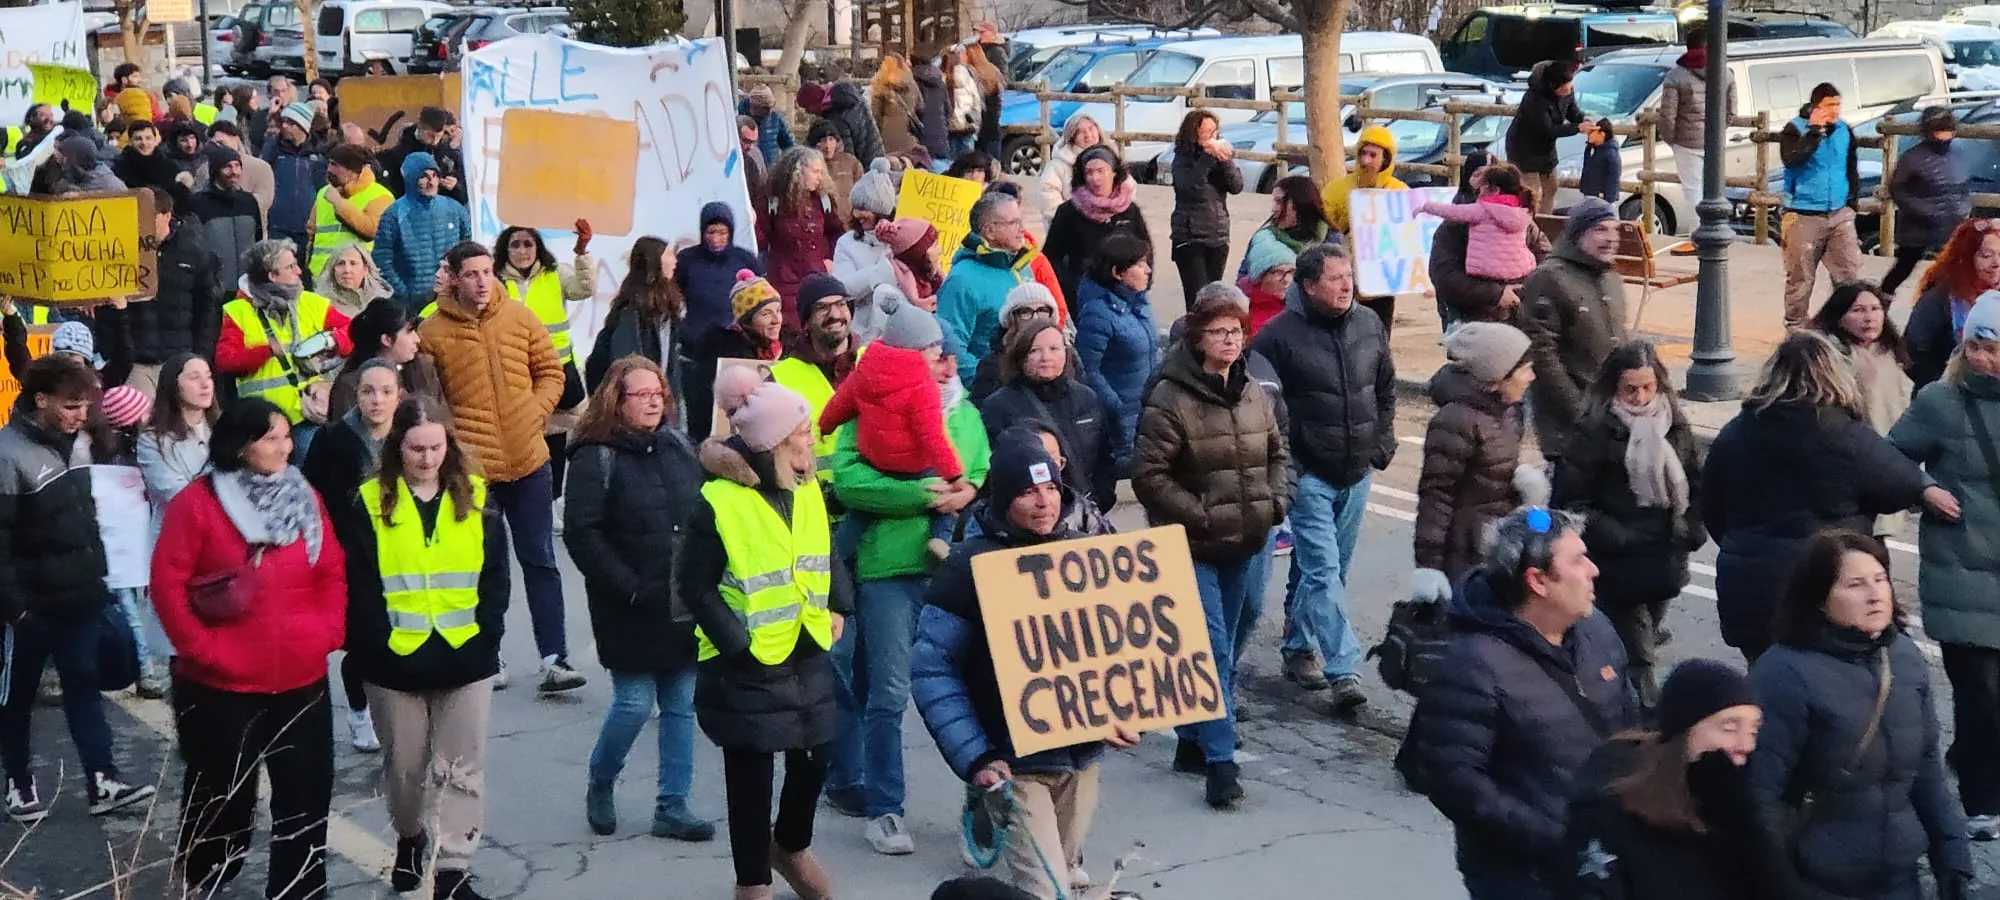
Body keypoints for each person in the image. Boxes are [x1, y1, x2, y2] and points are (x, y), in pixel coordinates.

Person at [911, 434, 1137, 899]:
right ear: (1003, 499)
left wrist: (1130, 711)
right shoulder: (966, 567)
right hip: (1015, 764)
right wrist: (976, 757)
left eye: (1051, 488)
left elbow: (1120, 653)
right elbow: (934, 670)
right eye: (1028, 492)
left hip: (1081, 759)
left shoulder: (1083, 555)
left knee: (1058, 883)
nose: (1043, 503)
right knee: (1045, 892)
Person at [150, 398, 345, 900]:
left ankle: (299, 891)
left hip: (301, 677)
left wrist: (326, 633)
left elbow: (331, 569)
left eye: (285, 436)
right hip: (220, 683)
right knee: (223, 801)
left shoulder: (303, 494)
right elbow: (168, 585)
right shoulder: (199, 503)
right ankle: (207, 881)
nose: (285, 447)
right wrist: (205, 650)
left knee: (305, 799)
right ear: (241, 446)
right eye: (272, 438)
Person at [1403, 506, 1635, 899]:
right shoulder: (1472, 663)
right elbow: (1455, 781)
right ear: (1538, 581)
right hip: (1520, 876)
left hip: (1602, 858)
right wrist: (1551, 835)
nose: (1593, 570)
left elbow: (1631, 721)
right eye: (1578, 560)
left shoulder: (1597, 631)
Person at [681, 370, 852, 900]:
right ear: (777, 441)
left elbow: (824, 550)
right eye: (802, 432)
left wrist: (840, 603)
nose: (811, 438)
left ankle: (791, 845)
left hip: (805, 645)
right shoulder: (719, 500)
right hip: (745, 658)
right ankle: (752, 882)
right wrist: (736, 643)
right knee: (750, 778)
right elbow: (694, 585)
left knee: (818, 754)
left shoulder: (805, 488)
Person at [821, 322, 987, 853]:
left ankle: (980, 807)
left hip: (953, 575)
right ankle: (885, 808)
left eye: (946, 355)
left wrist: (968, 491)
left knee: (977, 693)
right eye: (935, 354)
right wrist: (922, 495)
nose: (946, 365)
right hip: (888, 570)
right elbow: (850, 482)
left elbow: (979, 466)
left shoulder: (963, 411)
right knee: (889, 693)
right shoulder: (870, 401)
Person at [338, 396, 507, 900]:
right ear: (398, 448)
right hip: (395, 660)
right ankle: (410, 837)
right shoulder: (369, 502)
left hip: (466, 654)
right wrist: (377, 646)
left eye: (436, 447)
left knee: (461, 769)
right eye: (416, 448)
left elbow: (495, 578)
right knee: (407, 770)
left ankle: (452, 871)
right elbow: (361, 585)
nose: (428, 458)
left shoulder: (476, 497)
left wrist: (488, 635)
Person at [1746, 530, 1974, 899]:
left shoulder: (1903, 656)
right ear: (1818, 599)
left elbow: (1927, 767)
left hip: (1900, 878)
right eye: (1855, 584)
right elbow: (1759, 794)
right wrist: (1781, 884)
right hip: (1818, 881)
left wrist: (1952, 855)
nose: (1875, 594)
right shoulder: (1783, 674)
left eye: (1881, 579)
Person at [1133, 290, 1288, 809]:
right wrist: (1198, 514)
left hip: (1246, 540)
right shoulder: (1170, 396)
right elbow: (1149, 474)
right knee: (1211, 649)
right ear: (1198, 336)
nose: (1231, 340)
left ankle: (1190, 737)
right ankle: (1221, 763)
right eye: (1220, 331)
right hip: (1193, 544)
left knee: (1240, 629)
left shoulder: (1252, 392)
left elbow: (1277, 451)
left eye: (1237, 332)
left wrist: (1276, 502)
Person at [1701, 331, 1939, 661]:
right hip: (1824, 586)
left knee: (1767, 686)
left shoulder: (1736, 432)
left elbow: (1710, 505)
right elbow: (1899, 485)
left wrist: (1742, 542)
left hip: (1748, 585)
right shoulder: (1846, 436)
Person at [0, 356, 159, 824]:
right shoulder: (9, 456)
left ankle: (102, 779)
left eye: (85, 406)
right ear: (41, 400)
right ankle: (19, 781)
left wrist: (101, 578)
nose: (80, 415)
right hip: (29, 607)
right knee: (17, 695)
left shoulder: (82, 443)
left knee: (84, 687)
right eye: (70, 407)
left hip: (82, 595)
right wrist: (16, 609)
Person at [564, 356, 714, 842]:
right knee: (633, 702)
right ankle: (601, 782)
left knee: (681, 703)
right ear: (617, 399)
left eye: (658, 393)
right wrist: (628, 585)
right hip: (626, 603)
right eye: (642, 394)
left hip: (680, 599)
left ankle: (673, 805)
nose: (654, 401)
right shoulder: (594, 456)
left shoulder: (676, 444)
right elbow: (582, 534)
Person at [418, 241, 579, 693]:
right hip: (473, 468)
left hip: (529, 457)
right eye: (471, 274)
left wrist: (535, 412)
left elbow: (552, 371)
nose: (482, 281)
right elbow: (431, 400)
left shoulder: (520, 317)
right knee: (485, 565)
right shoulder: (432, 331)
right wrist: (456, 442)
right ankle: (491, 654)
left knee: (540, 559)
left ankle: (555, 658)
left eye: (487, 272)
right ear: (452, 277)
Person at [1249, 242, 1394, 707]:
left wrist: (1383, 442)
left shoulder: (1370, 323)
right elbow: (1265, 407)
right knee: (1322, 569)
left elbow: (1387, 387)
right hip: (1309, 472)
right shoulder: (1276, 336)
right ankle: (1343, 669)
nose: (1346, 284)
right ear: (1308, 286)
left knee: (1327, 571)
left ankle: (1296, 644)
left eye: (1348, 275)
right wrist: (1289, 466)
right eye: (1334, 278)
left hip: (1357, 470)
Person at [1888, 294, 2000, 840]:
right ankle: (1982, 803)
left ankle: (1975, 769)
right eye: (1974, 345)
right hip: (1960, 566)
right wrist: (1924, 488)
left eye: (1992, 349)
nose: (1980, 357)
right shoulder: (1940, 400)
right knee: (1979, 694)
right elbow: (1891, 458)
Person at [1552, 342, 1705, 708]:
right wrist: (1619, 537)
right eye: (1630, 389)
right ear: (1613, 388)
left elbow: (1698, 483)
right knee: (1639, 656)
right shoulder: (1593, 431)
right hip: (1617, 561)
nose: (1639, 397)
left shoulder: (1673, 424)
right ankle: (1643, 725)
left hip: (1666, 556)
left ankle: (1608, 704)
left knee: (1641, 639)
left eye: (1647, 387)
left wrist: (1692, 528)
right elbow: (1572, 501)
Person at [1559, 659, 1775, 900]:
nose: (1745, 745)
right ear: (1682, 733)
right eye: (1728, 727)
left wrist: (1749, 825)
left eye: (1753, 730)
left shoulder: (1731, 805)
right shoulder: (1607, 818)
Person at [304, 358, 402, 752]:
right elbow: (313, 497)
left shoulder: (410, 435)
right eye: (368, 391)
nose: (376, 400)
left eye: (386, 392)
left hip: (402, 552)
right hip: (352, 553)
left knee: (395, 633)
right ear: (356, 394)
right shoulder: (333, 439)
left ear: (399, 396)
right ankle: (360, 713)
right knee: (362, 638)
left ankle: (393, 710)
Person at [1412, 323, 1542, 598]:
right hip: (1464, 557)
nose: (1531, 377)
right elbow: (1436, 498)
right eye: (1524, 369)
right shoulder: (1455, 421)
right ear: (1498, 375)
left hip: (1495, 548)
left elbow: (1493, 476)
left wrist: (1528, 497)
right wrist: (1429, 567)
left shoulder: (1506, 412)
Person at [816, 295, 964, 524]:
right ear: (915, 348)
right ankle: (942, 538)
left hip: (874, 460)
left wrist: (825, 425)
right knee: (944, 502)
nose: (938, 351)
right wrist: (954, 475)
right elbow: (932, 437)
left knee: (861, 515)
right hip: (912, 466)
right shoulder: (922, 385)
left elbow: (840, 404)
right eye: (932, 346)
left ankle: (842, 551)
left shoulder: (866, 370)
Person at [216, 238, 355, 447]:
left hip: (307, 414)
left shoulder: (310, 302)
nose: (299, 271)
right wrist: (264, 352)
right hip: (263, 425)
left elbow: (356, 331)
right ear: (273, 276)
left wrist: (332, 340)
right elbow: (224, 361)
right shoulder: (238, 310)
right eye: (290, 267)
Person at [1521, 197, 1627, 465]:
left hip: (1609, 415)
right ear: (1579, 233)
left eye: (1615, 229)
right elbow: (1542, 354)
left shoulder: (1611, 278)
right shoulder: (1550, 278)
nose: (1611, 238)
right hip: (1567, 426)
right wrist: (1580, 410)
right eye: (1600, 229)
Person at [978, 319, 1120, 513]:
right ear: (1020, 356)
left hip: (1084, 511)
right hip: (1031, 516)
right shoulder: (999, 406)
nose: (1046, 357)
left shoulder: (1086, 397)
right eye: (1035, 350)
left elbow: (1105, 456)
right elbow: (993, 471)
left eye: (1054, 348)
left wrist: (1101, 498)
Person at [1812, 282, 1914, 539]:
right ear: (1839, 316)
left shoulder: (1891, 353)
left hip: (1888, 461)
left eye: (1875, 309)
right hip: (1851, 468)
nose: (1869, 318)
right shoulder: (1832, 357)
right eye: (1858, 310)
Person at [111, 188, 220, 398]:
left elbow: (207, 309)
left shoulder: (193, 253)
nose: (141, 222)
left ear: (167, 215)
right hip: (139, 361)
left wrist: (201, 355)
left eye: (148, 216)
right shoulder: (121, 252)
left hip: (181, 360)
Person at [496, 222, 597, 437]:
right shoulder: (496, 281)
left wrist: (581, 252)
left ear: (538, 248)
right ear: (505, 250)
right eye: (515, 245)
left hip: (558, 370)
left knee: (561, 432)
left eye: (528, 244)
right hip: (518, 372)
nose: (522, 251)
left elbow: (585, 288)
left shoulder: (555, 274)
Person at [1777, 82, 1864, 331]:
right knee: (1800, 277)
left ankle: (1846, 325)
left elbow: (1851, 167)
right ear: (1816, 106)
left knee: (1849, 275)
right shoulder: (1794, 129)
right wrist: (1814, 132)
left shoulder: (1844, 130)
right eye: (1829, 105)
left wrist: (1852, 204)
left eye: (1837, 104)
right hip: (1803, 213)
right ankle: (1796, 327)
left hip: (1838, 212)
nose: (1834, 110)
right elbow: (1792, 160)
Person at [1073, 232, 1157, 466]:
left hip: (1147, 412)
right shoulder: (1097, 313)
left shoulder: (1140, 303)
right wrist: (1116, 407)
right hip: (1121, 419)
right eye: (1140, 265)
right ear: (1118, 273)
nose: (1148, 270)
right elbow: (1088, 369)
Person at [939, 191, 1042, 381]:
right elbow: (952, 347)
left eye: (1021, 221)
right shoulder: (962, 279)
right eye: (1014, 223)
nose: (1023, 230)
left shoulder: (1022, 267)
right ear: (989, 231)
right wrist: (991, 383)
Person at [1043, 145, 1151, 313]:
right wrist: (1072, 290)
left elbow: (1146, 249)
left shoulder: (1130, 210)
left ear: (1114, 172)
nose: (1095, 178)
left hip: (1128, 295)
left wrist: (1143, 284)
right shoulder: (1069, 212)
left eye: (1101, 171)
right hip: (1085, 299)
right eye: (1089, 172)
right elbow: (1051, 258)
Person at [1657, 25, 1736, 250]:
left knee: (1693, 190)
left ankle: (1698, 237)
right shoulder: (1725, 72)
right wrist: (1718, 131)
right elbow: (1731, 111)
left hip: (1686, 141)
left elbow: (1667, 115)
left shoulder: (1676, 75)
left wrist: (1671, 138)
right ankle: (1717, 233)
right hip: (1714, 140)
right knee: (1714, 189)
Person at [686, 271, 788, 439]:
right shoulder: (719, 354)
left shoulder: (786, 350)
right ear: (746, 320)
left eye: (778, 311)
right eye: (766, 313)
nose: (776, 320)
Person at [1883, 106, 1969, 301]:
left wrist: (1964, 209)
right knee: (1904, 266)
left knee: (1952, 269)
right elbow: (1897, 189)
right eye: (1940, 130)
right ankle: (1883, 299)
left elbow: (1963, 185)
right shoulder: (1912, 158)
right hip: (1918, 226)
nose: (1944, 135)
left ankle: (1938, 306)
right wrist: (1923, 211)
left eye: (1947, 129)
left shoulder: (1958, 154)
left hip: (1951, 223)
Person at [588, 235, 685, 402]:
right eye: (669, 254)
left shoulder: (666, 306)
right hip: (638, 400)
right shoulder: (632, 309)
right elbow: (627, 362)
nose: (675, 261)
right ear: (654, 261)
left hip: (656, 397)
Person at [760, 147, 844, 336]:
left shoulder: (823, 201)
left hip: (816, 276)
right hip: (782, 279)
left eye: (821, 172)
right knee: (787, 331)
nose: (819, 177)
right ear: (799, 171)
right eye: (815, 171)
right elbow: (760, 239)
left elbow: (836, 232)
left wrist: (830, 258)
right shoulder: (773, 200)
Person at [1907, 220, 2000, 389]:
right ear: (1964, 259)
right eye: (1986, 256)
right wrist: (1945, 385)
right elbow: (1911, 354)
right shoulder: (1939, 299)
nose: (1996, 263)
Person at [374, 151, 472, 311]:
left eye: (434, 175)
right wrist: (402, 292)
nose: (431, 181)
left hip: (451, 297)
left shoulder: (455, 209)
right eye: (424, 176)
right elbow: (382, 257)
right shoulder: (395, 213)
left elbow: (468, 250)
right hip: (411, 303)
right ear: (411, 178)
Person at [1417, 162, 1539, 285]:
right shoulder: (1524, 212)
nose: (1480, 189)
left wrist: (1426, 207)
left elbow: (1453, 211)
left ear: (1494, 190)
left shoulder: (1483, 210)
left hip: (1487, 271)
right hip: (1519, 270)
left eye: (1484, 185)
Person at [1170, 111, 1243, 306]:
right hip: (1190, 236)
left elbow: (1236, 186)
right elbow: (1192, 188)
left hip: (1218, 234)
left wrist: (1226, 161)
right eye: (1206, 131)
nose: (1212, 136)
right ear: (1194, 133)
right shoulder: (1182, 159)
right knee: (1197, 298)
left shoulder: (1219, 158)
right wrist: (1208, 158)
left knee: (1214, 297)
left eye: (1214, 131)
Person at [329, 298, 443, 422]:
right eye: (409, 332)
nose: (417, 339)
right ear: (387, 340)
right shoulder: (351, 386)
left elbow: (443, 418)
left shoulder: (424, 370)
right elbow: (346, 436)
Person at [136, 352, 219, 517]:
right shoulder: (152, 441)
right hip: (180, 532)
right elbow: (176, 494)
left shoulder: (225, 430)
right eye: (194, 377)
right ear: (174, 385)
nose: (205, 384)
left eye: (208, 377)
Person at [679, 202, 766, 358]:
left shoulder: (745, 259)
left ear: (730, 233)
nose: (716, 239)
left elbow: (760, 299)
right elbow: (673, 297)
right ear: (702, 232)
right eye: (711, 232)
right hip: (694, 341)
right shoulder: (687, 260)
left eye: (722, 233)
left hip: (736, 342)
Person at [1507, 60, 1591, 213]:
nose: (1569, 88)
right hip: (1524, 148)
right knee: (1531, 192)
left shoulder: (1567, 92)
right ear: (1554, 86)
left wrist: (1582, 120)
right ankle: (1529, 225)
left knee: (1551, 187)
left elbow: (1572, 111)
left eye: (1570, 84)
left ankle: (1545, 221)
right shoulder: (1534, 99)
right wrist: (1577, 128)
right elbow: (1548, 130)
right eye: (1565, 86)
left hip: (1546, 149)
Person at [309, 143, 393, 282]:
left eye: (335, 165)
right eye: (329, 164)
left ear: (352, 171)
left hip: (357, 278)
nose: (329, 169)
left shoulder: (380, 195)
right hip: (320, 277)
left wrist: (339, 204)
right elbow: (311, 234)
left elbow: (371, 230)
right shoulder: (324, 193)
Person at [207, 122, 276, 233]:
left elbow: (264, 203)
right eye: (214, 145)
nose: (218, 148)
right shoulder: (205, 168)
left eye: (222, 143)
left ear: (236, 140)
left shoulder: (261, 168)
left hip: (251, 233)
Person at [1037, 116, 1102, 226]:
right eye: (1080, 132)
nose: (1088, 135)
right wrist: (1068, 221)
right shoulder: (1057, 166)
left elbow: (1126, 186)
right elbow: (1047, 195)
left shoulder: (1110, 159)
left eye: (1091, 129)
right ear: (1072, 137)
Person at [113, 120, 192, 204]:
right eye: (138, 139)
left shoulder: (170, 167)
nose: (144, 143)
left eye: (148, 138)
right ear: (130, 142)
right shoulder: (121, 168)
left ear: (155, 141)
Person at [810, 121, 868, 222]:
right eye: (823, 141)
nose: (827, 146)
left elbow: (863, 190)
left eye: (831, 139)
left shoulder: (850, 162)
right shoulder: (809, 166)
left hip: (850, 224)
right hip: (822, 224)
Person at [872, 54, 922, 157]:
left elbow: (875, 117)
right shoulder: (912, 84)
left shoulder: (881, 86)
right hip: (909, 137)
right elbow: (920, 106)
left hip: (887, 139)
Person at [824, 81, 884, 167]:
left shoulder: (840, 117)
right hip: (876, 150)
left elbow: (848, 150)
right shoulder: (861, 103)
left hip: (863, 160)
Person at [942, 46, 984, 163]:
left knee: (951, 162)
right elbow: (977, 101)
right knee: (969, 162)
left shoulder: (942, 80)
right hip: (968, 124)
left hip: (950, 127)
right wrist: (976, 123)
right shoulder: (968, 78)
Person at [50, 133, 126, 194]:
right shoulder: (70, 176)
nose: (55, 154)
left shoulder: (112, 186)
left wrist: (82, 195)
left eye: (61, 150)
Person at [739, 85, 795, 166]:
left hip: (770, 168)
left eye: (770, 107)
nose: (769, 111)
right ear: (754, 107)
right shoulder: (739, 119)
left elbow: (789, 146)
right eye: (765, 108)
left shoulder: (776, 118)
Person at [911, 51, 951, 163]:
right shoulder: (940, 82)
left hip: (921, 137)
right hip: (940, 134)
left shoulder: (912, 83)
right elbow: (948, 109)